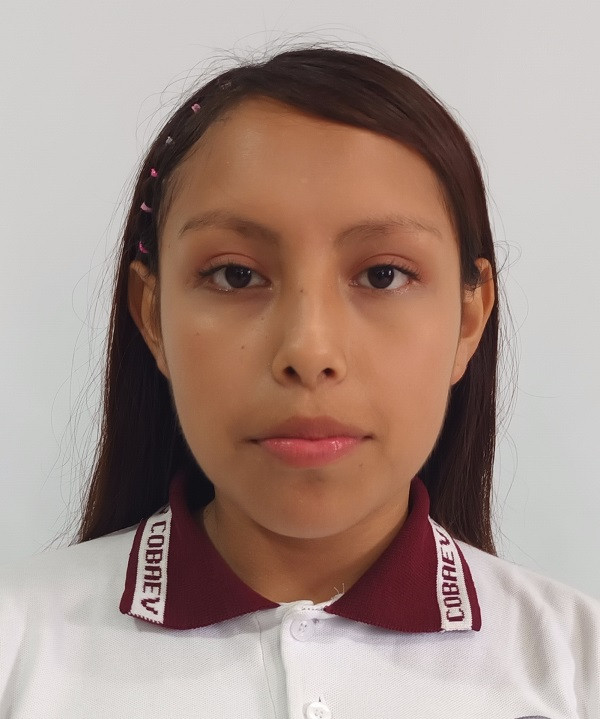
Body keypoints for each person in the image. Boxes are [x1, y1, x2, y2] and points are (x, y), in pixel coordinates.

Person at [1, 45, 598, 719]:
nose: (309, 352)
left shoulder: (576, 667)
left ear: (467, 321)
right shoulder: (18, 648)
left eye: (382, 275)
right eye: (235, 275)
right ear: (153, 317)